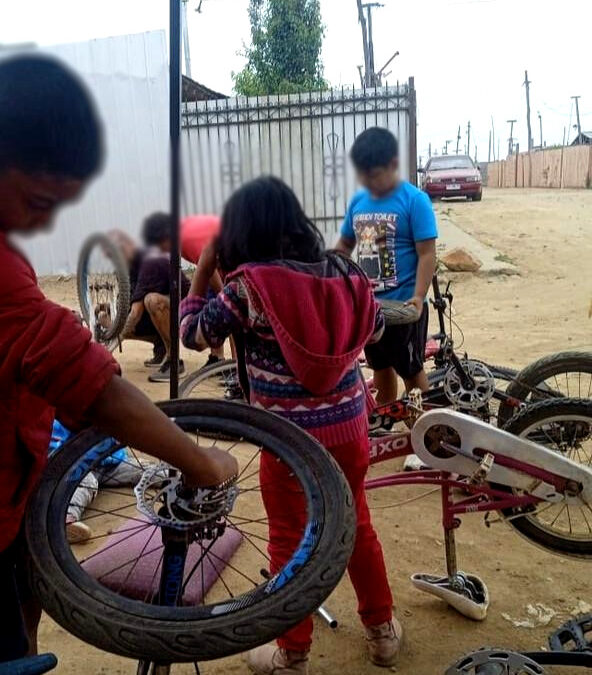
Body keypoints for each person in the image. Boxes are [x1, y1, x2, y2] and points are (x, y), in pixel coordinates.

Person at [0, 55, 237, 675]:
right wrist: (202, 460)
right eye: (38, 198)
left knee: (18, 611)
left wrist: (47, 328)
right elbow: (90, 389)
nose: (42, 222)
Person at [180, 176, 402, 673]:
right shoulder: (343, 273)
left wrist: (203, 269)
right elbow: (378, 326)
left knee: (289, 536)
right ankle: (382, 633)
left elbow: (193, 334)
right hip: (349, 430)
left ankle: (293, 653)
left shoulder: (248, 287)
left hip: (286, 441)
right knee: (356, 524)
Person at [336, 128, 437, 469]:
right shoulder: (359, 202)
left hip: (404, 308)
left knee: (413, 374)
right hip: (371, 310)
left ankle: (424, 442)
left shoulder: (414, 201)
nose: (369, 181)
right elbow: (344, 247)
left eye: (374, 174)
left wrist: (419, 297)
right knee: (380, 370)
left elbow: (427, 254)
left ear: (393, 164)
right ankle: (384, 425)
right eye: (363, 174)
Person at [121, 212, 225, 380]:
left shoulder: (183, 241)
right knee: (219, 297)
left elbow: (207, 267)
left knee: (226, 305)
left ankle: (232, 367)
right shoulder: (181, 235)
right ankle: (218, 360)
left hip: (232, 257)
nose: (161, 251)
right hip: (226, 256)